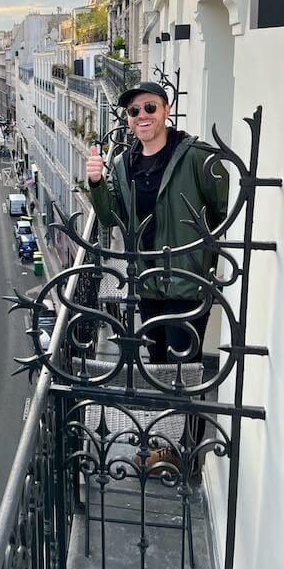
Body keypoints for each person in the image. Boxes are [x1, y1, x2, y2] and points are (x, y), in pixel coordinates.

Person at [86, 81, 229, 364]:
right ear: (128, 119)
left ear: (167, 111)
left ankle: (186, 411)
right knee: (156, 361)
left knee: (183, 366)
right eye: (134, 110)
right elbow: (108, 216)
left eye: (150, 107)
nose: (142, 115)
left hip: (187, 283)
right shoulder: (122, 164)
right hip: (147, 283)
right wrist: (96, 182)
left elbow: (223, 211)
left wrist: (202, 257)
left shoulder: (195, 156)